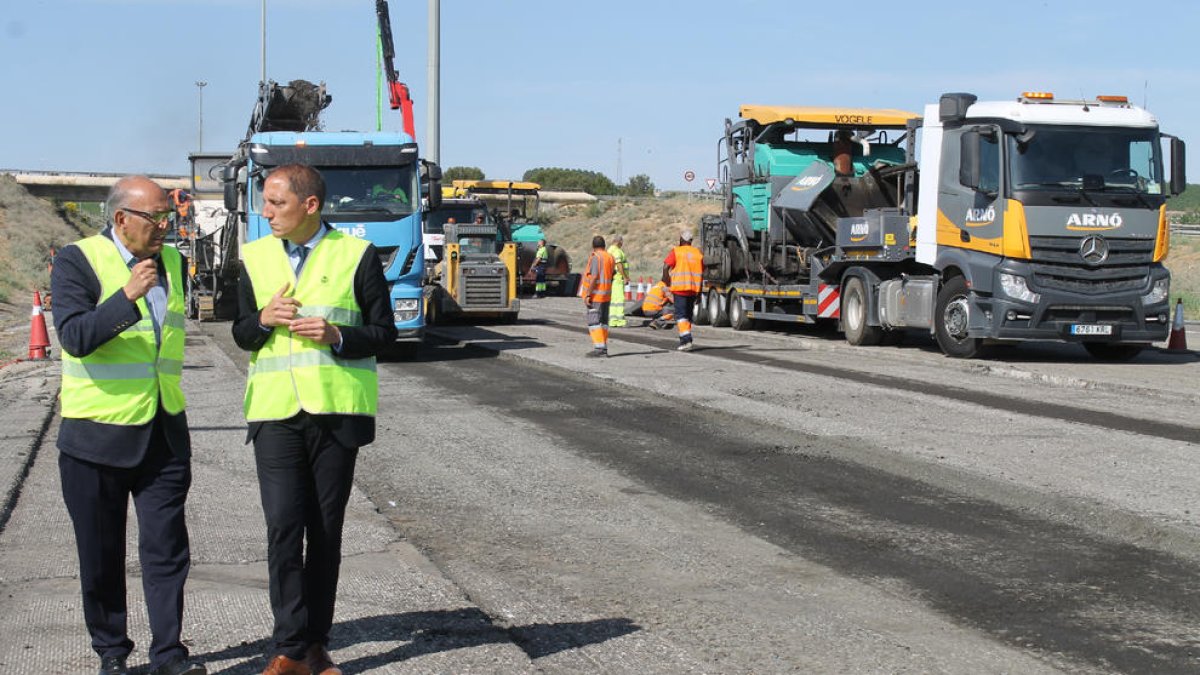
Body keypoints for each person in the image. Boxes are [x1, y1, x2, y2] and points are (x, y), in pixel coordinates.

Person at [231, 164, 397, 675]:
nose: (265, 212)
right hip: (276, 412)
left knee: (325, 531)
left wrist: (338, 336)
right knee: (283, 526)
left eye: (276, 204)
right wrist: (262, 320)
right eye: (265, 202)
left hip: (335, 414)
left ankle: (316, 643)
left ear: (310, 205)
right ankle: (289, 647)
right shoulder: (254, 257)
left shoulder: (356, 255)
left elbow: (384, 332)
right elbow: (239, 331)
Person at [50, 176, 206, 675]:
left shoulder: (176, 264)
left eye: (169, 217)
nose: (166, 226)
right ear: (122, 219)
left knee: (167, 553)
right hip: (96, 436)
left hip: (163, 432)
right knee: (101, 556)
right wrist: (126, 296)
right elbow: (74, 336)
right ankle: (112, 653)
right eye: (156, 218)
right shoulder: (78, 260)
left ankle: (169, 655)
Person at [663, 230, 704, 351]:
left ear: (681, 240)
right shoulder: (698, 253)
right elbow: (702, 274)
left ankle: (687, 340)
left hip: (680, 289)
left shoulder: (677, 251)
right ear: (691, 241)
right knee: (687, 316)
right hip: (693, 290)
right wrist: (700, 293)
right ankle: (683, 340)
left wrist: (666, 280)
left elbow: (666, 266)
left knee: (681, 316)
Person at [578, 235, 615, 357]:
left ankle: (599, 349)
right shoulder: (610, 257)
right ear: (604, 246)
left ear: (593, 247)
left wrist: (588, 294)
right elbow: (612, 275)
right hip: (606, 295)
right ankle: (603, 347)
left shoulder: (596, 257)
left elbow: (594, 277)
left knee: (594, 322)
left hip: (596, 295)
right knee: (603, 323)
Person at [607, 234, 630, 327]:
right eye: (622, 242)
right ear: (619, 241)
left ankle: (613, 320)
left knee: (614, 300)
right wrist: (625, 277)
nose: (622, 244)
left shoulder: (609, 250)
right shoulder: (616, 251)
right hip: (618, 278)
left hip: (612, 279)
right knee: (620, 300)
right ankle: (620, 321)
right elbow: (619, 264)